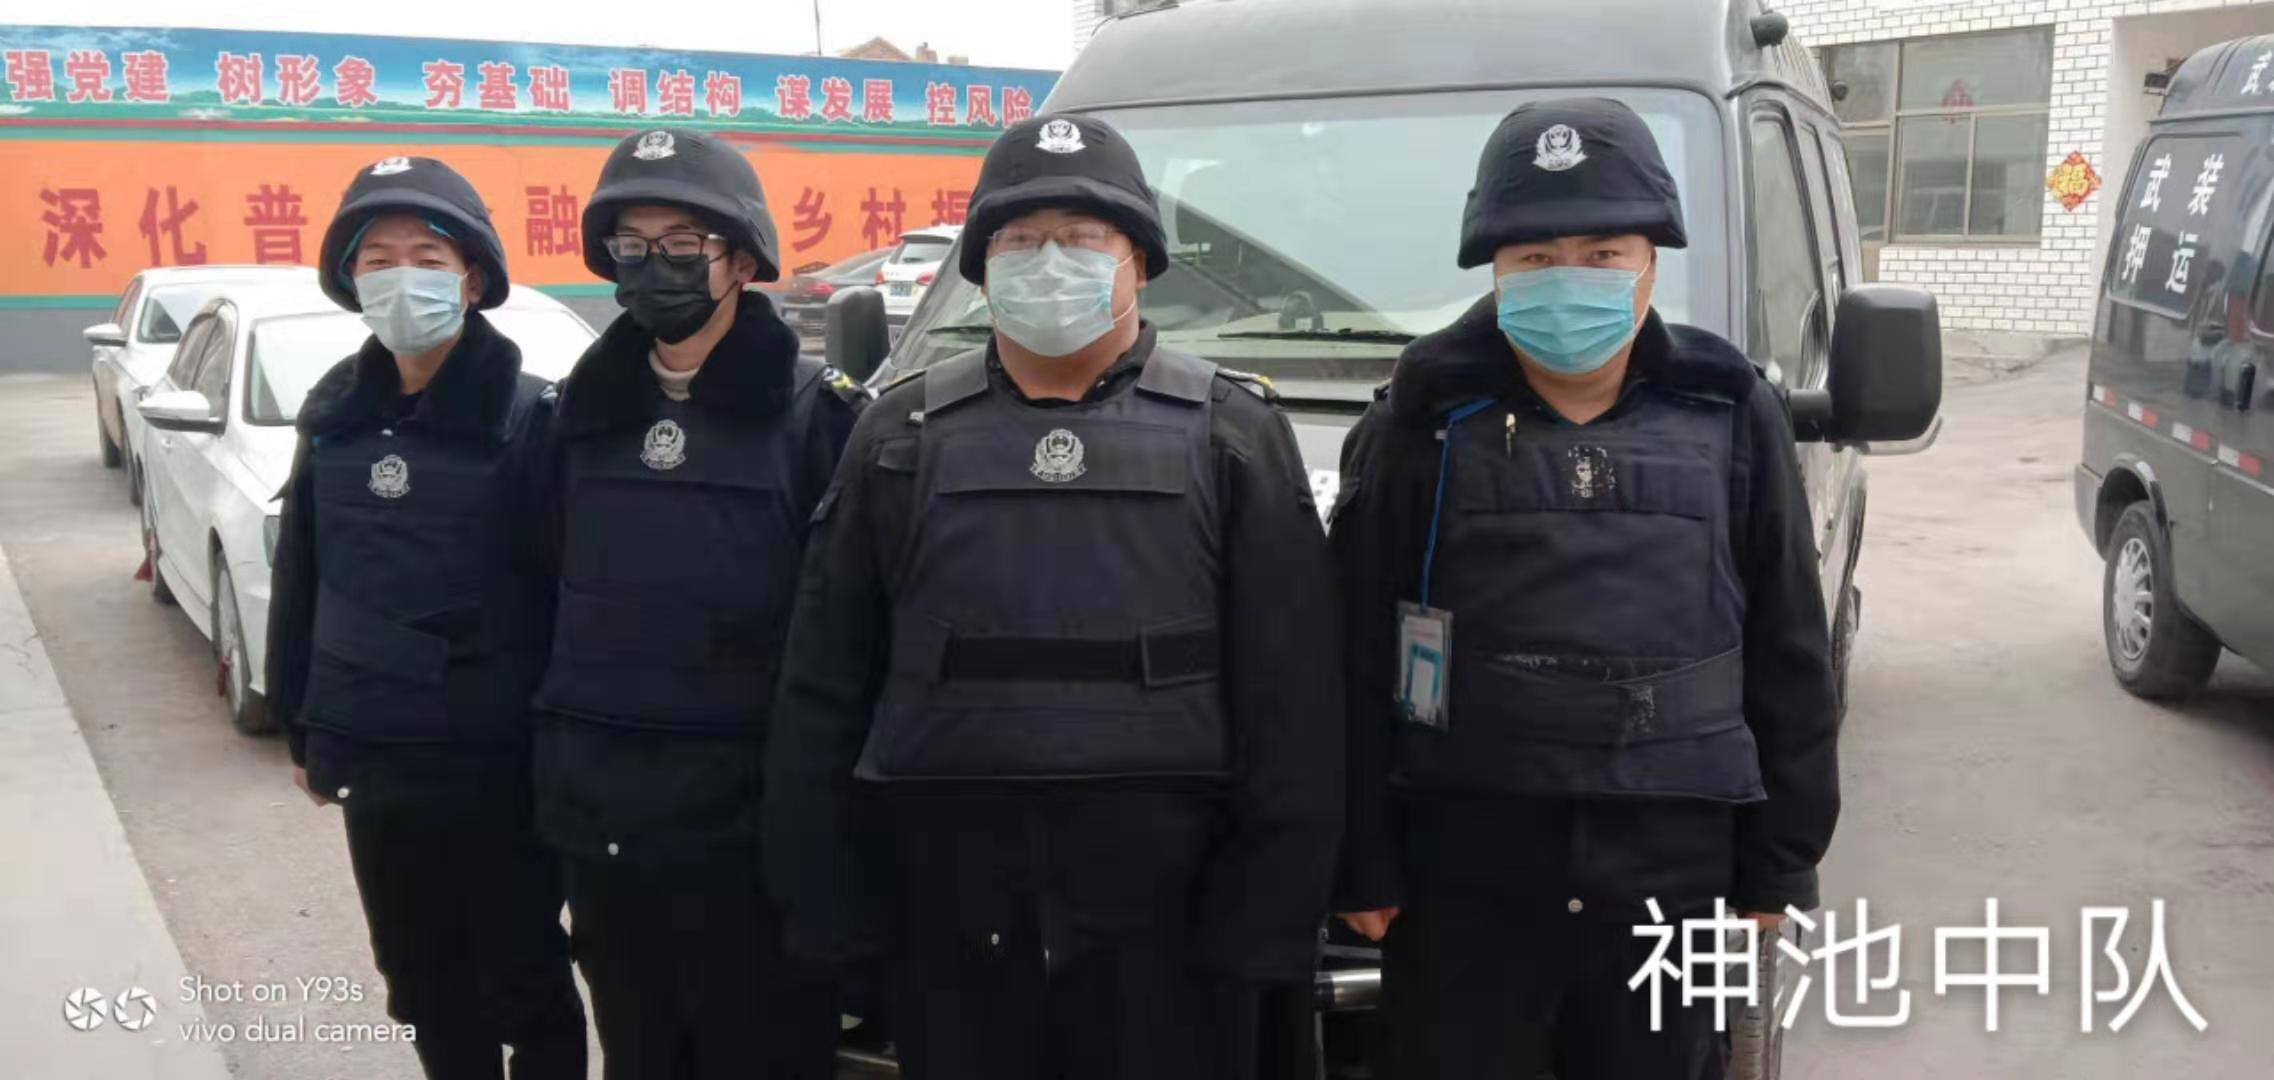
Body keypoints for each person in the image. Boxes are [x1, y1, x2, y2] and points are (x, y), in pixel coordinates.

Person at [763, 113, 1343, 1080]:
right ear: (982, 266)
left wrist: (1268, 917)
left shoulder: (1231, 433)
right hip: (953, 911)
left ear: (1138, 260)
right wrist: (830, 904)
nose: (1048, 261)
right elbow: (824, 683)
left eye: (1081, 237)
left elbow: (1295, 704)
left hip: (1173, 918)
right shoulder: (901, 434)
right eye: (1020, 239)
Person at [1330, 98, 1840, 1080]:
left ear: (1651, 261)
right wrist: (1363, 856)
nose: (1569, 277)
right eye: (1535, 256)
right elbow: (1353, 649)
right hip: (1467, 861)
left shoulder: (1730, 410)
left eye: (1602, 253)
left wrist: (1782, 858)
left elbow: (1788, 645)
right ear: (1494, 269)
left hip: (1672, 863)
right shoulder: (1421, 419)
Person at [526, 126, 863, 1080]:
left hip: (751, 839)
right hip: (605, 827)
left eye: (681, 244)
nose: (653, 265)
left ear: (742, 261)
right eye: (631, 245)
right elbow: (541, 600)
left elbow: (848, 648)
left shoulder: (822, 418)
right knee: (639, 1052)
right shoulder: (573, 419)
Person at [267, 155, 585, 1080]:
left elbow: (569, 599)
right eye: (378, 260)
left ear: (472, 279)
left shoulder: (532, 419)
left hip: (499, 766)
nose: (402, 278)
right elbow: (304, 578)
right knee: (418, 979)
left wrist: (565, 752)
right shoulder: (335, 417)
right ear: (351, 280)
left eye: (428, 258)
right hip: (376, 761)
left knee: (525, 976)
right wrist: (303, 729)